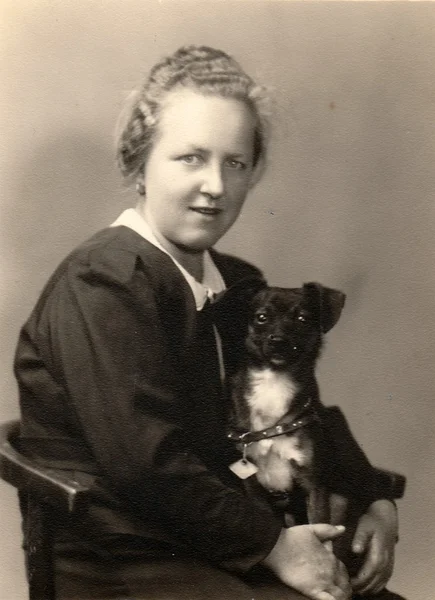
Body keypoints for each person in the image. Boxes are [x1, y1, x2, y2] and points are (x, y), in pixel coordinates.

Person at [14, 45, 404, 600]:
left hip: (222, 535)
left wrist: (375, 499)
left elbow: (302, 413)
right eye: (190, 158)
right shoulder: (105, 280)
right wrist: (274, 547)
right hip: (123, 555)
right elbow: (146, 465)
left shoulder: (239, 284)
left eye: (235, 162)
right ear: (139, 162)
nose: (216, 185)